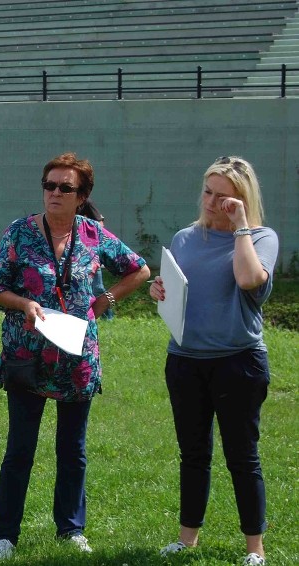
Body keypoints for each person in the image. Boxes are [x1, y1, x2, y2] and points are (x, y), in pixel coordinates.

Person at [0, 152, 150, 561]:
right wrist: (23, 304)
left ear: (82, 196)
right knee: (19, 448)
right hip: (27, 355)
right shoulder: (19, 232)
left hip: (76, 358)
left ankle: (71, 529)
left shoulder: (94, 235)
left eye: (65, 188)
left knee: (72, 449)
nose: (54, 193)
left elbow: (140, 270)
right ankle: (4, 536)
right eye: (49, 185)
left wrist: (105, 300)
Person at [150, 156, 278, 566]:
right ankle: (187, 540)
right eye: (208, 191)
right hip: (186, 362)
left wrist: (240, 225)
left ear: (241, 200)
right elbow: (179, 289)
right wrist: (160, 290)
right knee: (193, 453)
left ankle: (254, 549)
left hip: (238, 363)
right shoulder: (186, 238)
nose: (210, 201)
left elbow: (248, 280)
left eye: (223, 196)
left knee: (243, 455)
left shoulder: (261, 238)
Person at [78, 198, 113, 319]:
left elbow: (100, 224)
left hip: (89, 253)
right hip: (73, 256)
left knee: (98, 288)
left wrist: (84, 225)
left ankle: (108, 316)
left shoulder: (86, 203)